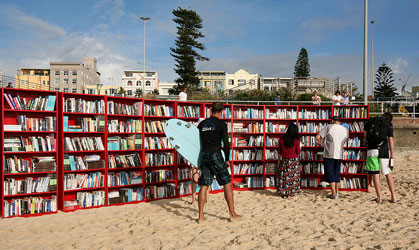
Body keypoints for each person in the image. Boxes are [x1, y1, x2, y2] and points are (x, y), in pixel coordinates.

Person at [197, 102, 241, 222]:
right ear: (222, 111)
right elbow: (226, 144)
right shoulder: (221, 124)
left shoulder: (202, 124)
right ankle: (232, 214)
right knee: (227, 182)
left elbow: (197, 142)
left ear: (211, 110)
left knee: (204, 185)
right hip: (215, 154)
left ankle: (200, 216)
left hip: (204, 155)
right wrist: (227, 159)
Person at [364, 112, 396, 204]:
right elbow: (390, 139)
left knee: (375, 173)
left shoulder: (370, 120)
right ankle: (393, 197)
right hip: (384, 150)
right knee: (387, 173)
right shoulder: (388, 124)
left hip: (372, 149)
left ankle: (379, 198)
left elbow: (365, 135)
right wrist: (392, 154)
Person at [316, 116, 349, 199]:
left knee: (330, 174)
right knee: (336, 174)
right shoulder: (345, 129)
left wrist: (322, 143)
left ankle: (333, 193)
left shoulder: (328, 127)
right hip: (339, 154)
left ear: (332, 121)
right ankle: (337, 192)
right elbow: (345, 140)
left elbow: (318, 137)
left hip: (329, 154)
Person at [276, 123, 301, 197]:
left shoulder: (281, 139)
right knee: (293, 177)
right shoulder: (296, 140)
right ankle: (293, 191)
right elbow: (298, 151)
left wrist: (278, 161)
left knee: (284, 176)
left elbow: (279, 151)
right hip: (294, 160)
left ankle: (284, 191)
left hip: (285, 160)